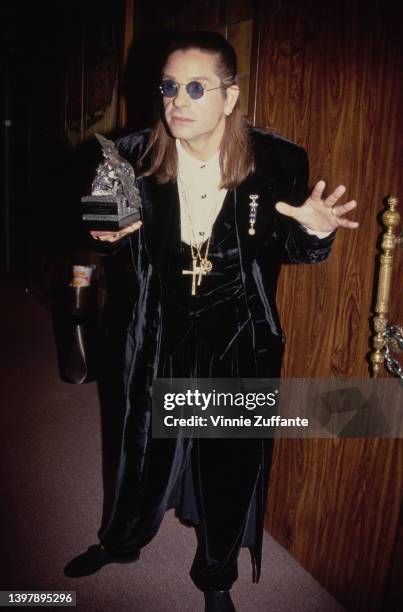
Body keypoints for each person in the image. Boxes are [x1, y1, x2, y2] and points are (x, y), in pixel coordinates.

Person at [65, 31, 358, 612]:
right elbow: (111, 241)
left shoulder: (278, 161)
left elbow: (296, 252)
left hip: (237, 337)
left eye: (196, 87)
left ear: (230, 96)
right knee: (139, 449)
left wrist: (317, 231)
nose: (178, 100)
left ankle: (215, 574)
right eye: (170, 87)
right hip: (156, 328)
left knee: (229, 460)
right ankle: (122, 542)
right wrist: (105, 238)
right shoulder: (131, 155)